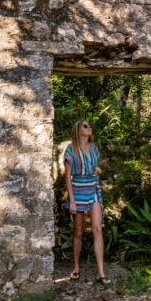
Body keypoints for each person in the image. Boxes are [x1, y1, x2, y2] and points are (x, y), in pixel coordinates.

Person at [64, 119, 109, 284]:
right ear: (77, 130)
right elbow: (67, 178)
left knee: (98, 229)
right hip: (77, 189)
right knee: (78, 231)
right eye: (85, 126)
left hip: (93, 188)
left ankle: (101, 272)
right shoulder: (70, 150)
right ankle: (76, 267)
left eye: (89, 126)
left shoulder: (95, 149)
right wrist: (72, 201)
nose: (89, 127)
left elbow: (94, 169)